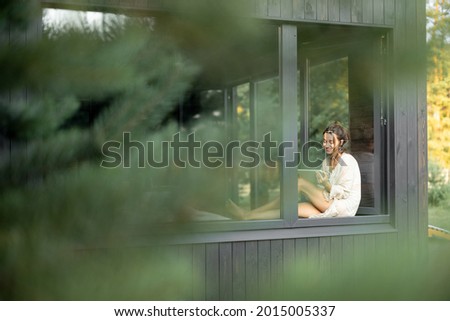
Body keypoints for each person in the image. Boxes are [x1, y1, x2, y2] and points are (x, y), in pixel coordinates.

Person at [227, 121, 361, 219]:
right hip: (329, 202)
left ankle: (250, 212)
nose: (326, 145)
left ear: (341, 142)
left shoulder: (347, 161)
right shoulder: (326, 162)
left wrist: (324, 184)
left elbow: (344, 193)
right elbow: (324, 189)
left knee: (299, 182)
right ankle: (247, 215)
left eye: (331, 142)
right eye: (324, 141)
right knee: (293, 209)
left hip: (343, 207)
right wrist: (317, 186)